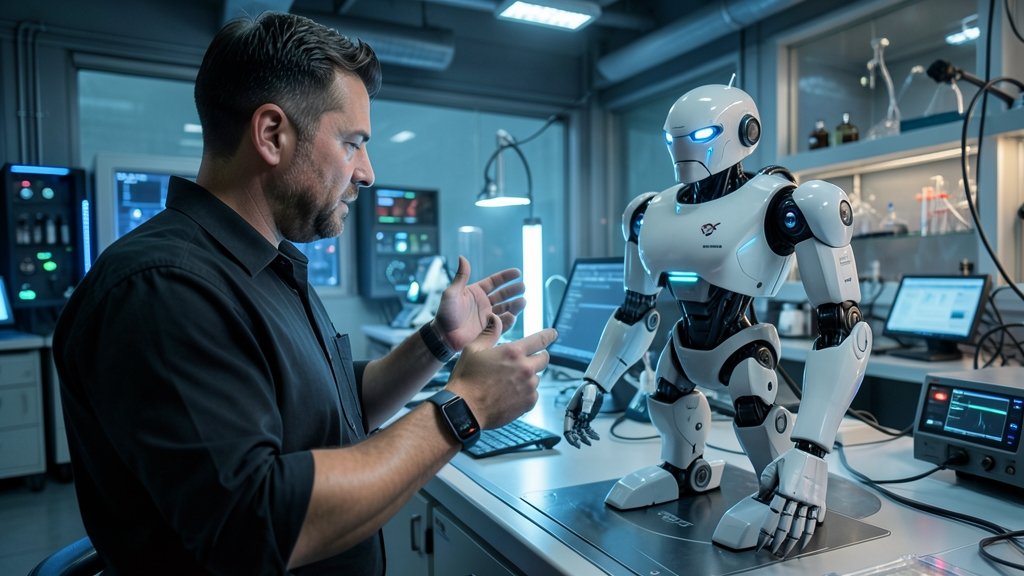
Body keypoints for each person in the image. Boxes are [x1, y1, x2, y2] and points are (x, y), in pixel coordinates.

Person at [53, 12, 556, 575]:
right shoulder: (162, 290)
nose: (367, 173)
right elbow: (258, 523)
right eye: (352, 143)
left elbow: (335, 410)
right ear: (272, 134)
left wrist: (438, 342)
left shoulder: (266, 266)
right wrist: (464, 409)